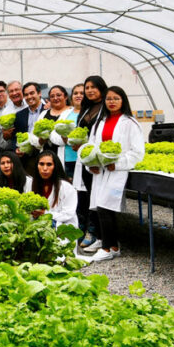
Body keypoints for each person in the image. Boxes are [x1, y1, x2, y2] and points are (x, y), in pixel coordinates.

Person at [82, 86, 145, 261]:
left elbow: (137, 152)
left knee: (106, 207)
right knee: (99, 207)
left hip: (117, 172)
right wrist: (91, 164)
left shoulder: (130, 123)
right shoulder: (100, 122)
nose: (112, 102)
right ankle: (110, 244)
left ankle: (108, 248)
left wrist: (116, 164)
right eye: (109, 99)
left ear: (123, 100)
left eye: (116, 98)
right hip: (100, 171)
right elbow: (92, 146)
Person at [73, 76, 108, 246]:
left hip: (97, 161)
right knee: (85, 196)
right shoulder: (86, 109)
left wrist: (95, 159)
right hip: (84, 158)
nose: (90, 90)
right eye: (87, 87)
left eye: (93, 87)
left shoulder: (106, 108)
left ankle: (95, 232)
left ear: (101, 88)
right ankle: (84, 229)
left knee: (96, 197)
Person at [28, 151, 78, 228]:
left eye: (49, 164)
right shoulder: (31, 185)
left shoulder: (67, 187)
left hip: (63, 229)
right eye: (41, 164)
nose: (45, 168)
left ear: (55, 166)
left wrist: (45, 213)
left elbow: (68, 214)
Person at [14, 81, 45, 175]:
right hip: (27, 158)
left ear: (39, 93)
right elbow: (16, 136)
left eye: (32, 93)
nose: (29, 97)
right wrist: (17, 149)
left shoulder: (48, 110)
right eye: (26, 95)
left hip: (45, 154)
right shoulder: (19, 115)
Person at [36, 85, 74, 157]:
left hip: (67, 155)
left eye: (58, 95)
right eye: (52, 96)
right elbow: (36, 136)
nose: (55, 98)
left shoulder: (72, 112)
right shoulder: (44, 114)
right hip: (46, 156)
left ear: (65, 97)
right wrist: (41, 140)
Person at [58, 83, 84, 177]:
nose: (78, 95)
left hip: (83, 158)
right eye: (75, 93)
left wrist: (69, 140)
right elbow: (54, 133)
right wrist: (64, 139)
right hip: (67, 159)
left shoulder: (90, 113)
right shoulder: (66, 113)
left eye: (82, 93)